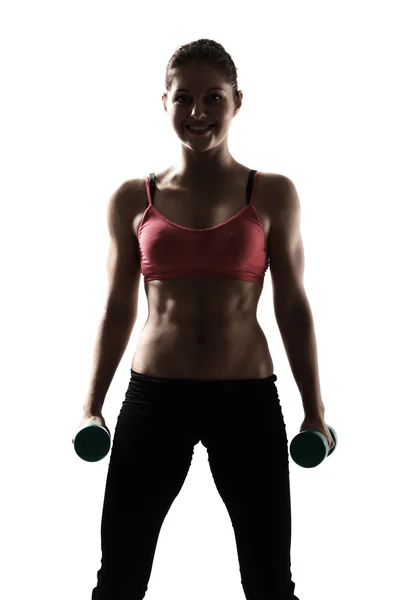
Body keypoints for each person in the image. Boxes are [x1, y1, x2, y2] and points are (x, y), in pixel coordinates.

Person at [83, 39, 333, 600]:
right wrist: (91, 403)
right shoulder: (133, 198)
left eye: (213, 98)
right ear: (164, 102)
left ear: (237, 101)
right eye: (185, 98)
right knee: (118, 579)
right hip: (154, 400)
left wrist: (314, 411)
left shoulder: (271, 193)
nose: (198, 112)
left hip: (245, 400)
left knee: (270, 582)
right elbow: (118, 306)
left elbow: (293, 305)